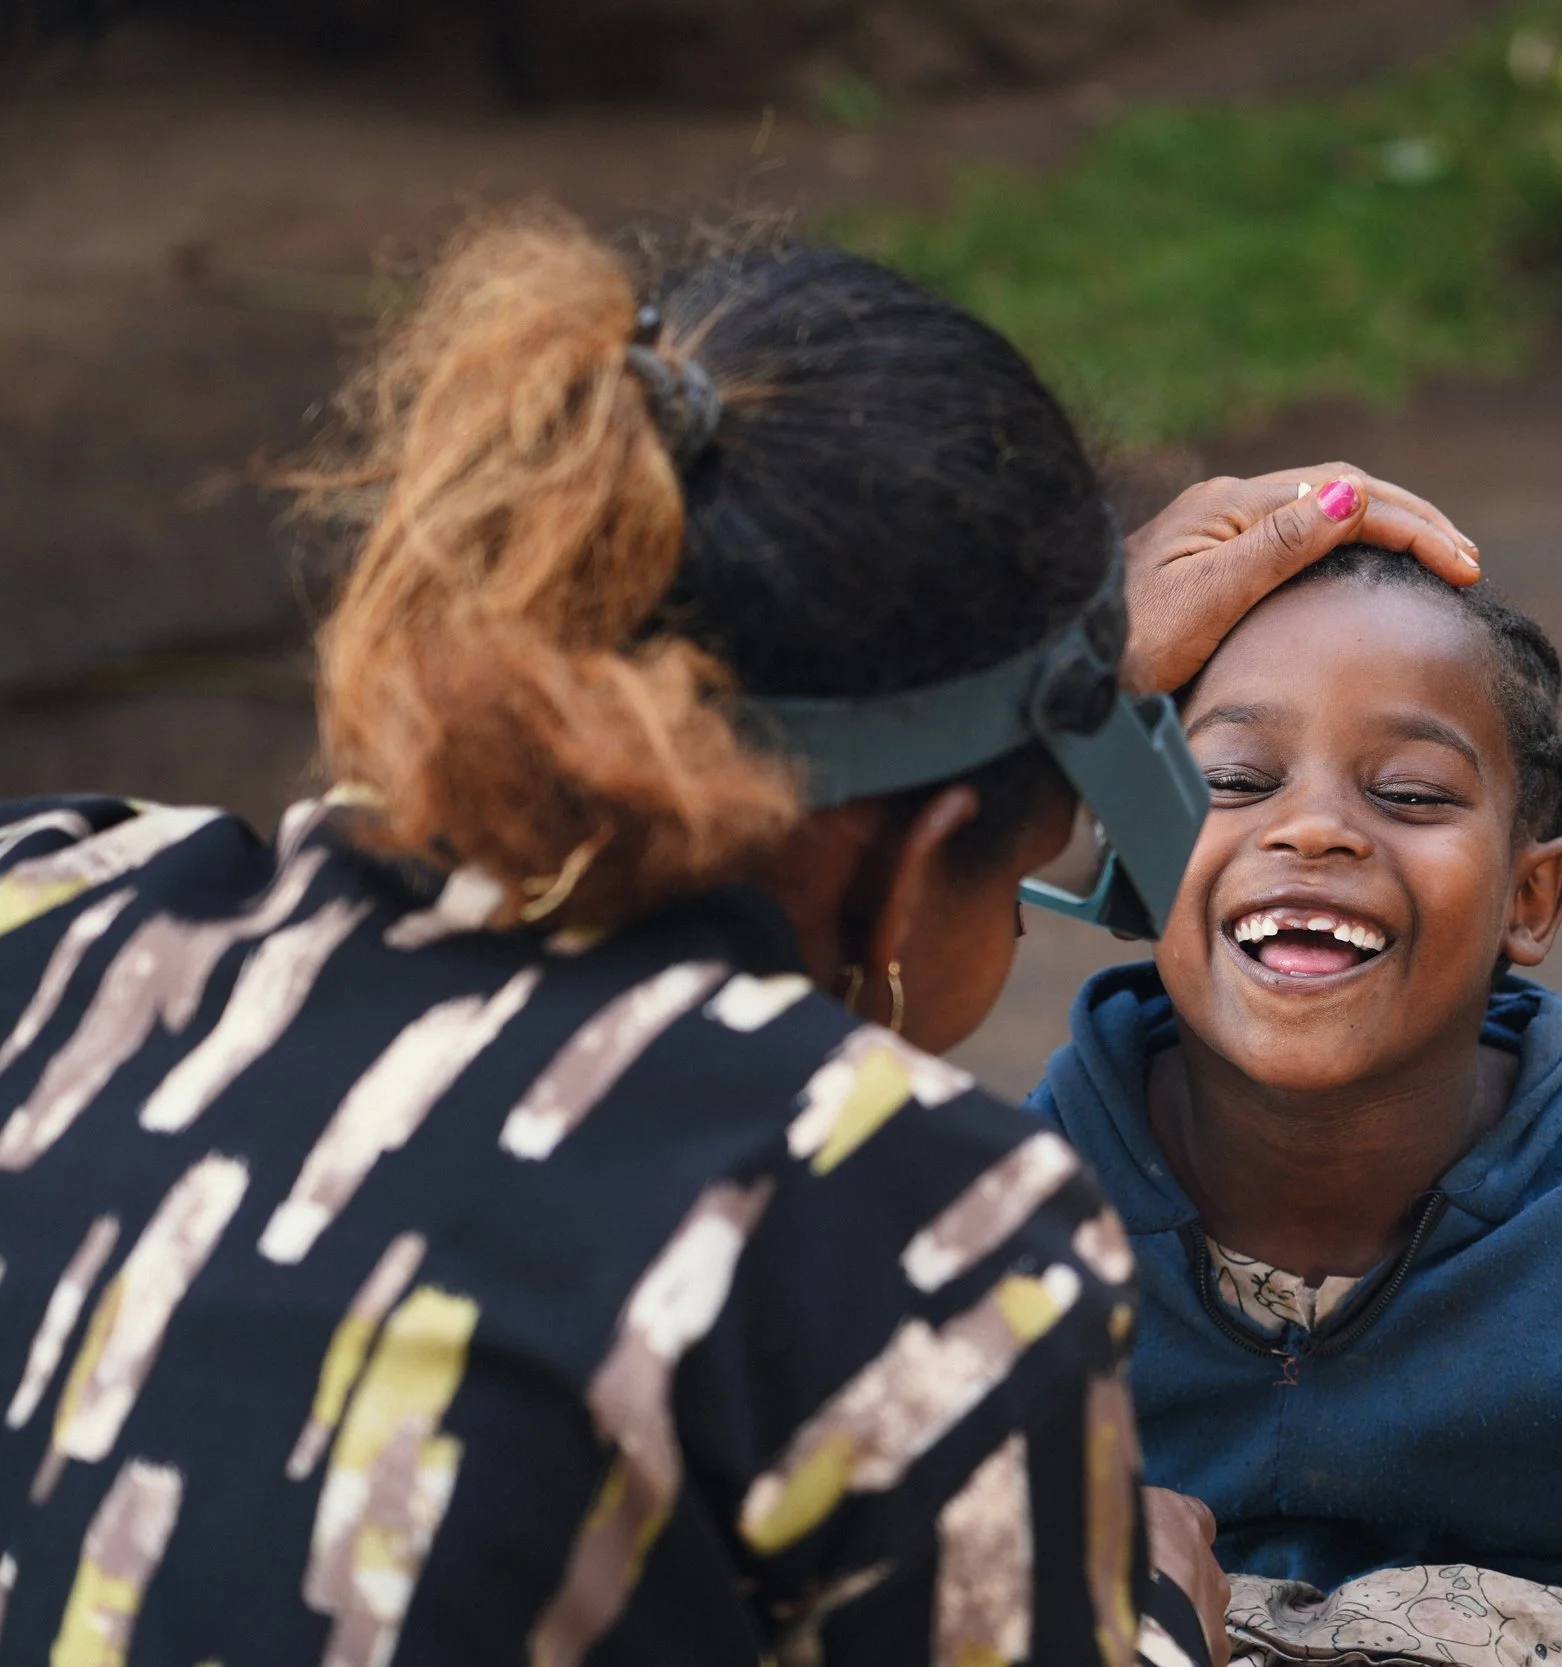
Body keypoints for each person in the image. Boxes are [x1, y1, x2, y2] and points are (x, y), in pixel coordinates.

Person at [0, 215, 1478, 1667]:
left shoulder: (53, 900)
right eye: (1036, 865)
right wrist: (1147, 1602)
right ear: (908, 865)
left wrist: (1044, 657)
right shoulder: (909, 1230)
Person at [1029, 546, 1562, 1667]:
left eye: (1411, 793)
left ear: (1530, 897)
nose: (1313, 828)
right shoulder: (1004, 1216)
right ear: (1138, 857)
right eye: (1234, 779)